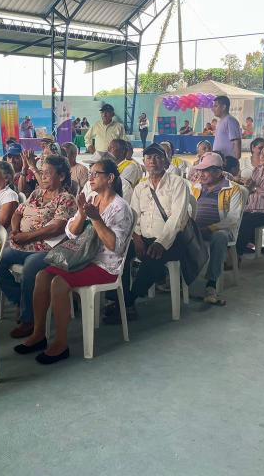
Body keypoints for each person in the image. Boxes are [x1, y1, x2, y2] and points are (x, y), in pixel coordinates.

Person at [15, 159, 133, 364]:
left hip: (104, 264)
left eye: (96, 174)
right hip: (83, 257)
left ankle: (61, 344)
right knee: (42, 276)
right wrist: (82, 214)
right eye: (90, 173)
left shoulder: (120, 207)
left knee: (59, 283)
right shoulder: (92, 198)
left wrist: (96, 219)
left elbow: (116, 247)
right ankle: (39, 334)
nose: (91, 177)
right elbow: (71, 233)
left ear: (110, 178)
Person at [0, 155, 77, 339]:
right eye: (42, 172)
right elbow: (17, 213)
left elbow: (57, 227)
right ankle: (21, 301)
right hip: (23, 243)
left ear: (61, 176)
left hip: (48, 248)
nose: (44, 176)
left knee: (30, 268)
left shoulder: (67, 199)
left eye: (48, 173)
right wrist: (15, 231)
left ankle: (29, 319)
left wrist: (26, 236)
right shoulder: (37, 193)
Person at [110, 144, 192, 321]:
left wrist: (161, 242)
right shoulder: (140, 187)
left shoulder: (178, 183)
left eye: (157, 157)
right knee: (119, 253)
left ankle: (127, 302)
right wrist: (137, 238)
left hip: (172, 240)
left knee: (152, 257)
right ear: (144, 162)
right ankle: (118, 299)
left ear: (166, 162)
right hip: (143, 238)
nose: (153, 161)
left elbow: (177, 218)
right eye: (148, 158)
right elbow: (134, 217)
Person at [190, 153, 243, 304]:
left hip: (221, 230)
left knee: (220, 236)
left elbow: (232, 219)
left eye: (205, 171)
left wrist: (210, 228)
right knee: (176, 233)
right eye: (200, 170)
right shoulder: (195, 187)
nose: (201, 174)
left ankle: (211, 284)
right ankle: (179, 279)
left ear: (218, 171)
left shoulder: (233, 189)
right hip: (196, 229)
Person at [212, 95, 241, 161]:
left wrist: (235, 161)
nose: (213, 109)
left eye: (216, 106)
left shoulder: (230, 120)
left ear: (223, 107)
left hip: (228, 160)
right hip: (220, 160)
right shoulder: (220, 121)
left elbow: (236, 141)